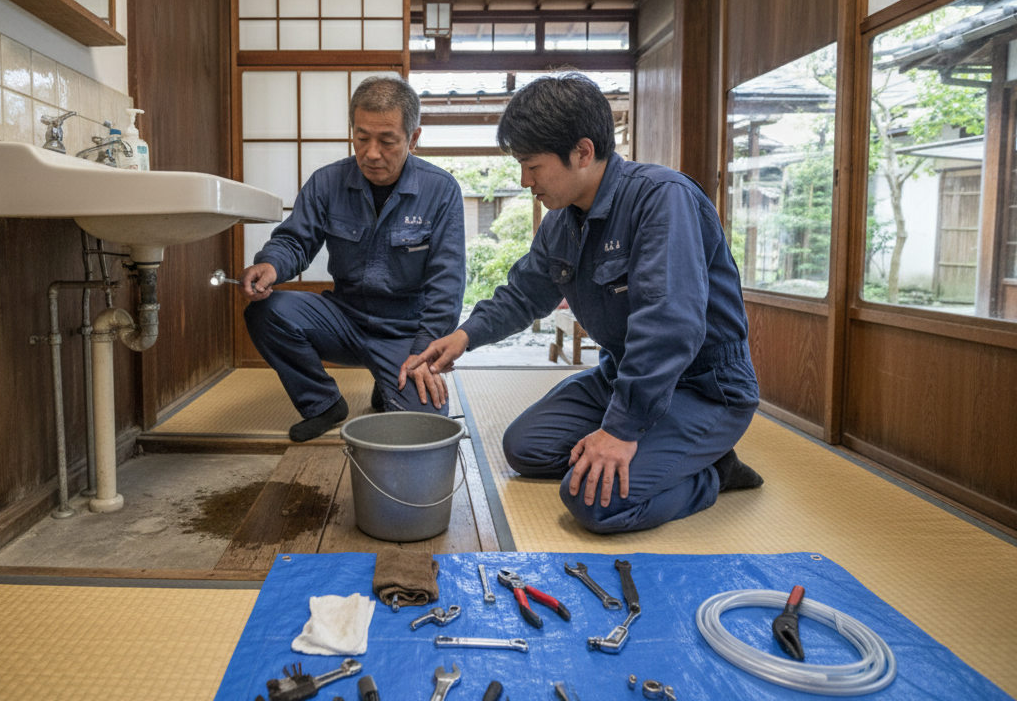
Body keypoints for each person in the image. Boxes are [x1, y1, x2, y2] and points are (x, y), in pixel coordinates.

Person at [400, 73, 762, 534]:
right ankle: (664, 448)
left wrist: (620, 431)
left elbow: (670, 324)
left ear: (583, 152)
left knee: (592, 501)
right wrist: (463, 336)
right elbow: (525, 294)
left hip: (705, 387)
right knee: (525, 448)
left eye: (532, 166)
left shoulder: (661, 199)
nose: (525, 180)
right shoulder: (561, 222)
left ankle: (713, 473)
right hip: (623, 376)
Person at [240, 75, 466, 442]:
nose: (372, 153)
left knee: (424, 427)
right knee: (267, 311)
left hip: (405, 333)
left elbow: (448, 281)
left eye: (387, 141)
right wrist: (272, 264)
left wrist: (425, 352)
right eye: (362, 138)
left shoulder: (440, 190)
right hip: (344, 319)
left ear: (413, 138)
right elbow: (296, 240)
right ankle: (323, 403)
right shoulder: (327, 182)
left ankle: (389, 380)